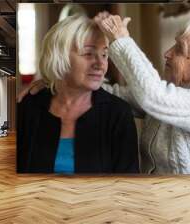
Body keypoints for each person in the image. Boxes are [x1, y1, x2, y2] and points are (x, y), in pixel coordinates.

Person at [19, 13, 190, 175]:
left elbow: (154, 96)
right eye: (87, 53)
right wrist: (55, 80)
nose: (167, 53)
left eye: (179, 49)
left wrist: (121, 38)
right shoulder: (30, 107)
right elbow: (111, 93)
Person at [16, 15, 139, 173]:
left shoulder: (118, 113)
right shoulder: (27, 107)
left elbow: (127, 187)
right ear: (59, 56)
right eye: (88, 54)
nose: (100, 64)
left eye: (104, 55)